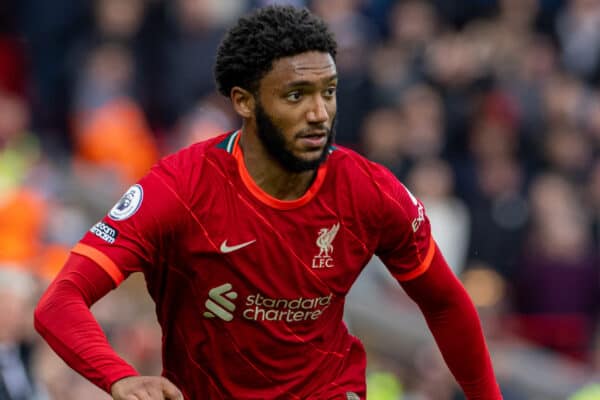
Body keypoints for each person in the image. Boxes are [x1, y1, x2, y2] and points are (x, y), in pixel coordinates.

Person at [34, 5, 503, 399]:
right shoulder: (180, 188)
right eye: (296, 95)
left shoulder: (369, 190)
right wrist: (119, 377)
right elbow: (60, 301)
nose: (319, 113)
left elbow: (445, 303)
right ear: (244, 101)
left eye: (329, 92)